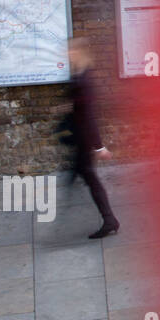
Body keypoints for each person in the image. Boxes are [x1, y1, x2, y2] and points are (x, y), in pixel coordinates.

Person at [65, 38, 120, 238]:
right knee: (85, 175)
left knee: (89, 177)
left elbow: (88, 114)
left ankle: (109, 220)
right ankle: (108, 219)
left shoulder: (85, 78)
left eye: (71, 50)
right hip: (80, 138)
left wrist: (98, 147)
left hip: (84, 139)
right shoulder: (79, 74)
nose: (68, 54)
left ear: (79, 52)